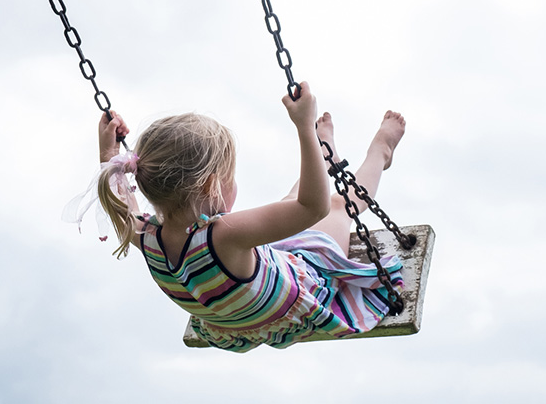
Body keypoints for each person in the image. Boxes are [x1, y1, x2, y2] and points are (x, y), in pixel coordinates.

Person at [87, 82, 406, 352]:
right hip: (300, 299)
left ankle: (322, 157)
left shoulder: (146, 237)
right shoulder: (225, 235)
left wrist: (107, 155)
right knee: (339, 206)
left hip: (233, 329)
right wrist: (304, 128)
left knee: (287, 205)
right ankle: (380, 152)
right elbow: (314, 208)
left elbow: (121, 204)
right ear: (211, 185)